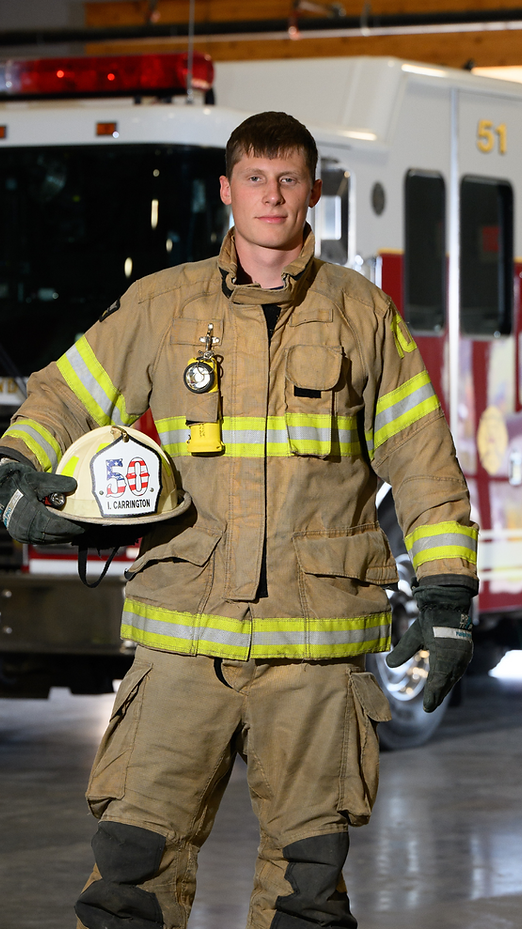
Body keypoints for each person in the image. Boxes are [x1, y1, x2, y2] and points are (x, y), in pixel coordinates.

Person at [0, 111, 478, 929]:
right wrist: (16, 469)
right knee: (128, 874)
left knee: (308, 893)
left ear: (313, 194)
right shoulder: (163, 304)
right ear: (227, 190)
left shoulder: (366, 316)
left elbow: (424, 460)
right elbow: (64, 392)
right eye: (255, 178)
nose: (271, 195)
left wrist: (445, 597)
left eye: (288, 179)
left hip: (315, 656)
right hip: (182, 643)